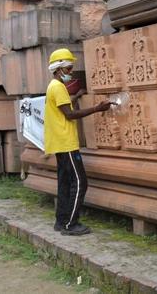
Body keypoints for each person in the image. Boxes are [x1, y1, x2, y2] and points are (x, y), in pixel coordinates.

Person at [44, 48, 113, 236]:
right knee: (80, 182)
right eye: (68, 69)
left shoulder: (54, 86)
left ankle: (61, 221)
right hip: (66, 143)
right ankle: (71, 224)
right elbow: (70, 114)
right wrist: (97, 108)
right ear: (59, 69)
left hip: (59, 143)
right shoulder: (58, 87)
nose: (70, 72)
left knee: (65, 183)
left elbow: (64, 105)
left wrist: (77, 94)